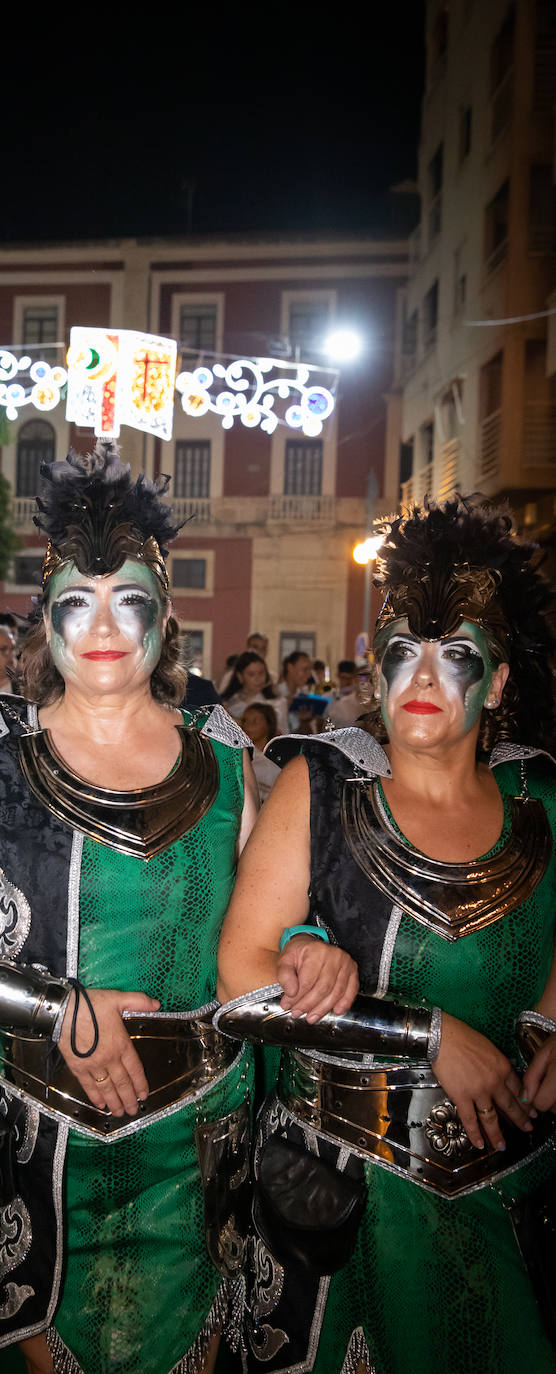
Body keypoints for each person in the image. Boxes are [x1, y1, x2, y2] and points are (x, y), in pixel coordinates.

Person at [0, 444, 260, 1374]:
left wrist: (314, 940)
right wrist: (26, 977)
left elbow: (267, 941)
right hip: (34, 1161)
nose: (104, 626)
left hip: (195, 1160)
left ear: (165, 621)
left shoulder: (228, 767)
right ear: (49, 623)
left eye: (130, 602)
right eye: (78, 601)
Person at [217, 496, 556, 1373]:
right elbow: (241, 980)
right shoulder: (321, 785)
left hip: (515, 1202)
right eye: (403, 652)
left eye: (459, 658)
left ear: (502, 681)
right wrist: (427, 1035)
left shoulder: (543, 802)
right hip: (344, 1206)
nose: (425, 679)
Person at [222, 652, 288, 734]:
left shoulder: (277, 702)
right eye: (251, 674)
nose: (258, 679)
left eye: (261, 673)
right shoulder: (228, 703)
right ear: (240, 676)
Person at [239, 703, 280, 802]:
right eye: (245, 721)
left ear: (269, 725)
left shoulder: (278, 758)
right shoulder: (240, 755)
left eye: (255, 721)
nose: (247, 726)